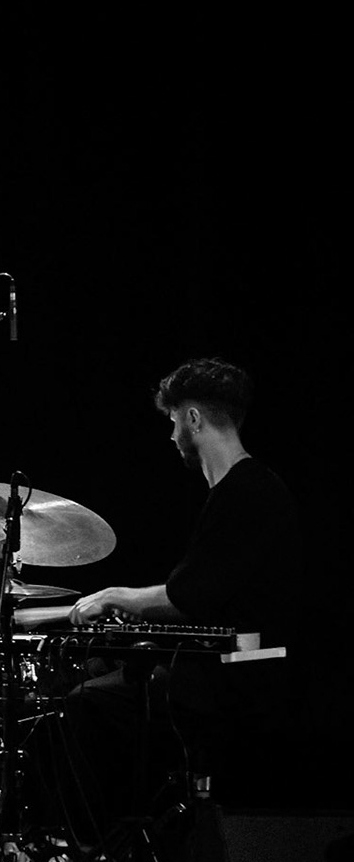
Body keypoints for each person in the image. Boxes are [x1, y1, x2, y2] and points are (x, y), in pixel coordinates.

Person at [57, 357, 301, 834]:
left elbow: (189, 597)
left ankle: (91, 850)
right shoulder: (246, 488)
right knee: (105, 676)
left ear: (192, 419)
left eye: (172, 422)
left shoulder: (246, 492)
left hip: (243, 677)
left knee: (86, 704)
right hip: (236, 664)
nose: (171, 437)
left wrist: (114, 595)